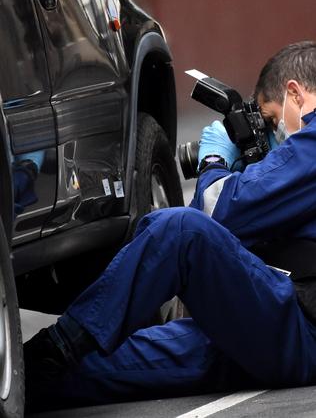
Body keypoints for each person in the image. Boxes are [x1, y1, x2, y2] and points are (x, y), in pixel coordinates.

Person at [24, 40, 316, 412]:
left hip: (298, 331)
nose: (274, 135)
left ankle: (56, 346)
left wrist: (214, 161)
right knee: (93, 369)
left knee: (180, 229)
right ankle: (24, 371)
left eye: (272, 120)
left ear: (294, 93)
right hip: (273, 333)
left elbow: (214, 216)